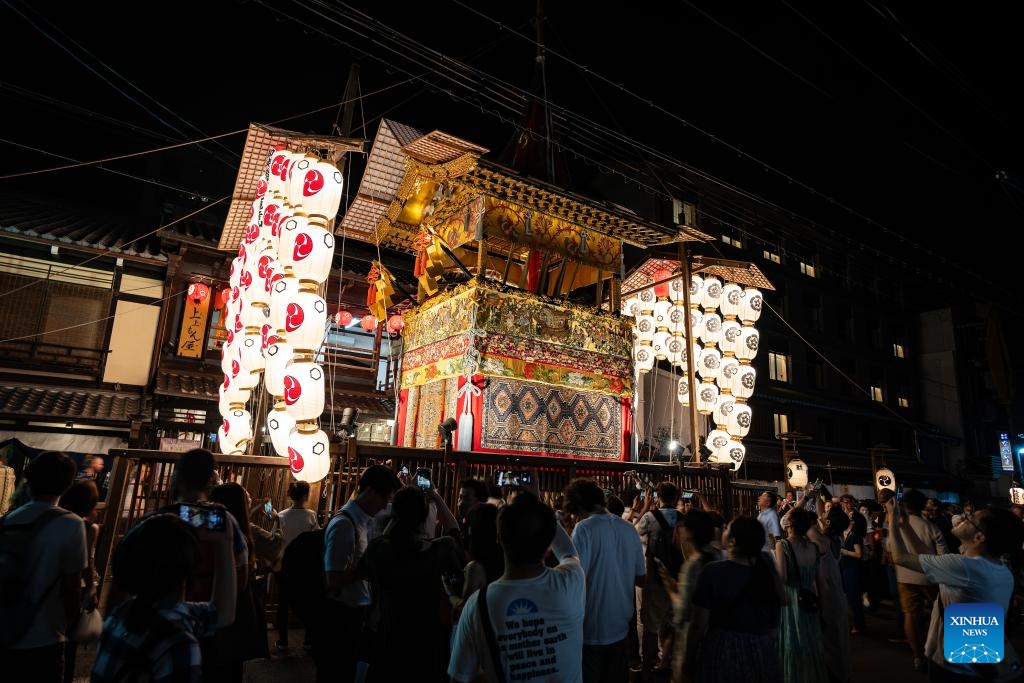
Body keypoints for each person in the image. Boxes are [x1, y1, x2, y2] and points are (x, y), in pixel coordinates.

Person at [448, 479, 584, 683]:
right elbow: (568, 551)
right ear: (548, 545)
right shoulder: (570, 582)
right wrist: (537, 503)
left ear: (498, 538)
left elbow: (460, 678)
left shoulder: (478, 605)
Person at [886, 498, 1024, 680]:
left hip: (952, 667)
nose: (962, 518)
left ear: (979, 537)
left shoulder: (964, 567)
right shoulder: (998, 569)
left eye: (970, 519)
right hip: (977, 660)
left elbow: (901, 558)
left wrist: (893, 521)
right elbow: (928, 558)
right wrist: (905, 526)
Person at [90, 512, 237, 682]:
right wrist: (225, 542)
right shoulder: (178, 644)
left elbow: (221, 614)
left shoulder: (122, 614)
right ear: (187, 569)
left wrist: (225, 542)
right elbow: (222, 614)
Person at [361, 484, 463, 682]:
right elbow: (454, 531)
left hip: (389, 641)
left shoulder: (379, 550)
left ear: (394, 513)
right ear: (425, 516)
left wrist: (397, 518)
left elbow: (383, 541)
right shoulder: (440, 551)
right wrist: (436, 497)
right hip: (429, 645)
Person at [1, 451, 87, 683]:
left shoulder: (9, 520)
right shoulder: (71, 524)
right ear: (67, 484)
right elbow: (72, 587)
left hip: (6, 631)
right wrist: (73, 625)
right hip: (46, 637)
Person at [315, 463, 401, 683]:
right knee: (337, 672)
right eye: (384, 499)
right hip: (340, 617)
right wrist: (367, 569)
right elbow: (332, 578)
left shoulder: (363, 522)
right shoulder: (344, 524)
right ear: (370, 491)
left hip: (354, 616)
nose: (384, 506)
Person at [564, 477, 646, 683]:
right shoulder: (629, 529)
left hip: (590, 627)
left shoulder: (584, 529)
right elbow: (641, 578)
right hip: (621, 626)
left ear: (579, 507)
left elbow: (575, 578)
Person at [689, 516, 784, 683]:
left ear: (732, 541)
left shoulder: (713, 572)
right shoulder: (767, 571)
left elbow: (698, 624)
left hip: (722, 649)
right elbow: (773, 627)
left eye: (727, 529)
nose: (723, 530)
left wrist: (689, 655)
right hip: (761, 649)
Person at [208, 482, 270, 682]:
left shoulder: (213, 526)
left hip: (214, 612)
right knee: (230, 669)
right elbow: (241, 584)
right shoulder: (239, 531)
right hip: (234, 613)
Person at [890, 488, 948, 672]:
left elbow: (891, 549)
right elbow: (943, 555)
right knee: (941, 612)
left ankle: (917, 656)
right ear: (923, 505)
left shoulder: (896, 525)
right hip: (930, 576)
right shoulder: (931, 527)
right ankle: (945, 650)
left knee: (910, 614)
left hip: (904, 575)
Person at [665, 507, 725, 683]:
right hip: (718, 638)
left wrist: (671, 588)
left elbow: (683, 613)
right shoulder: (719, 556)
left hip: (695, 642)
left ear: (689, 531)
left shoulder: (693, 566)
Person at [634, 480, 681, 678]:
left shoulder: (650, 517)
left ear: (657, 497)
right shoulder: (683, 518)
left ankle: (648, 664)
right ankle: (666, 661)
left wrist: (643, 507)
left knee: (649, 624)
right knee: (671, 622)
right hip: (677, 578)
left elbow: (633, 535)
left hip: (654, 576)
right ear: (676, 498)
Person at [775, 506, 828, 682]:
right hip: (810, 602)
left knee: (793, 643)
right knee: (810, 642)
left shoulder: (782, 545)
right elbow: (822, 583)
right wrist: (824, 610)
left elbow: (781, 577)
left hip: (791, 601)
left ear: (789, 523)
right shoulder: (814, 547)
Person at [58, 479, 100, 683]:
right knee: (70, 638)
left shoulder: (58, 520)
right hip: (78, 587)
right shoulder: (89, 527)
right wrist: (92, 589)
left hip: (55, 582)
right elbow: (88, 562)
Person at [273, 480, 319, 651]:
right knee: (309, 603)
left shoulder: (282, 516)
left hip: (285, 564)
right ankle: (308, 640)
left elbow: (274, 538)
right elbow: (316, 537)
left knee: (283, 603)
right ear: (306, 495)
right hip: (306, 565)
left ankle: (283, 641)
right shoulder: (311, 515)